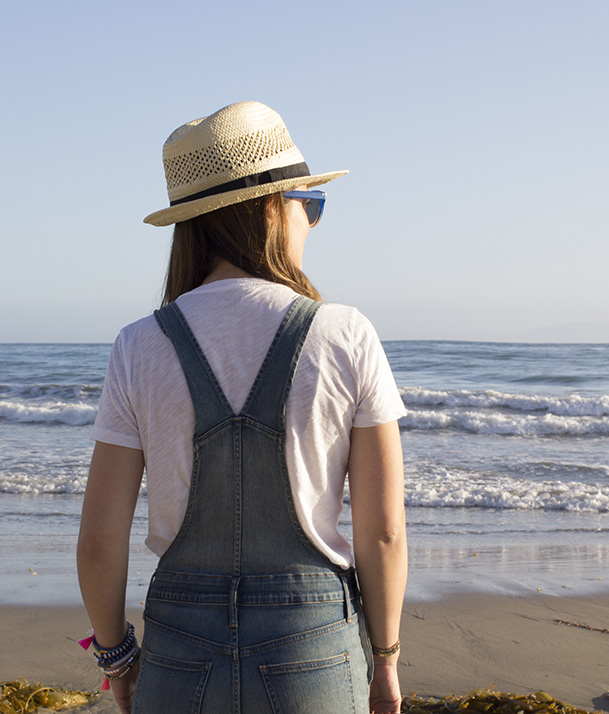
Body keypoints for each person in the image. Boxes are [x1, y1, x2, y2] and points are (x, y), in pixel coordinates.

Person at [77, 101, 407, 714]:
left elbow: (99, 539)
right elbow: (382, 532)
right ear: (269, 210)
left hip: (180, 648)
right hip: (315, 648)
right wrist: (384, 660)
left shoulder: (139, 345)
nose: (311, 221)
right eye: (310, 204)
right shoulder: (345, 334)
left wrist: (116, 657)